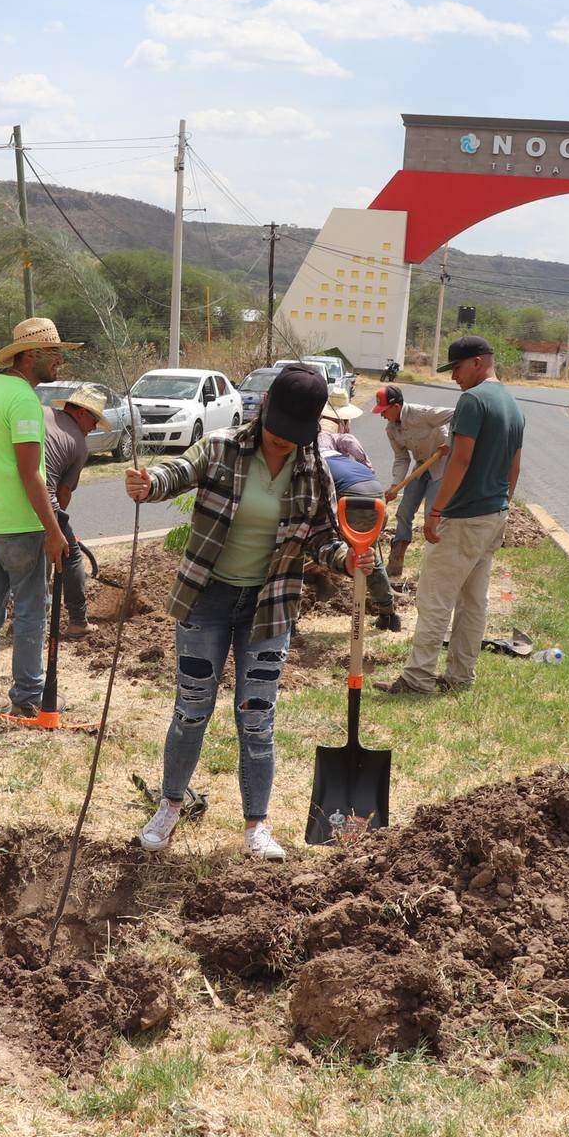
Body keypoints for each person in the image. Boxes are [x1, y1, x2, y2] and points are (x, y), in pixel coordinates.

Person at [125, 363, 377, 862]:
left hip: (269, 607)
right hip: (208, 600)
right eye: (278, 432)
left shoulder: (313, 470)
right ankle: (170, 806)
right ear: (263, 413)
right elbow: (178, 472)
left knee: (257, 719)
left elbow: (324, 538)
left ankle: (256, 827)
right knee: (192, 710)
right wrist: (148, 483)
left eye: (296, 436)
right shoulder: (221, 447)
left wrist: (346, 558)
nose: (284, 444)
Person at [376, 336, 526, 698]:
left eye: (457, 368)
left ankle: (417, 680)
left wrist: (437, 509)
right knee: (474, 601)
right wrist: (503, 502)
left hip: (463, 518)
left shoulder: (473, 401)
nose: (454, 377)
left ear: (477, 362)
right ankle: (461, 675)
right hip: (493, 515)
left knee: (435, 598)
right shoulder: (511, 403)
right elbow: (515, 465)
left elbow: (459, 459)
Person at [0, 317, 77, 722]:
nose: (59, 361)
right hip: (21, 526)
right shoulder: (22, 400)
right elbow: (30, 472)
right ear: (31, 355)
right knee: (29, 611)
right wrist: (54, 531)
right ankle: (28, 697)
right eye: (54, 354)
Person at [317, 390, 403, 633]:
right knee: (369, 555)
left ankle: (388, 615)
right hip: (372, 494)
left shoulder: (313, 451)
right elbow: (367, 466)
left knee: (365, 557)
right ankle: (388, 612)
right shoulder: (338, 442)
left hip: (356, 499)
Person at [371, 383, 457, 581]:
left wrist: (449, 443)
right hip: (421, 466)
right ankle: (397, 557)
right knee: (404, 511)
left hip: (441, 465)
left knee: (431, 516)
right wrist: (394, 485)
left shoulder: (422, 414)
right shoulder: (392, 430)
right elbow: (402, 458)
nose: (382, 415)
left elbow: (457, 414)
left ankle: (435, 565)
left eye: (384, 411)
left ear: (395, 407)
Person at [42, 387, 104, 641]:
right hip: (43, 500)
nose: (94, 427)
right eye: (94, 420)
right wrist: (58, 531)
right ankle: (78, 621)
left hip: (11, 497)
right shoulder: (79, 443)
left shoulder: (42, 413)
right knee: (71, 555)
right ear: (80, 412)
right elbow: (63, 494)